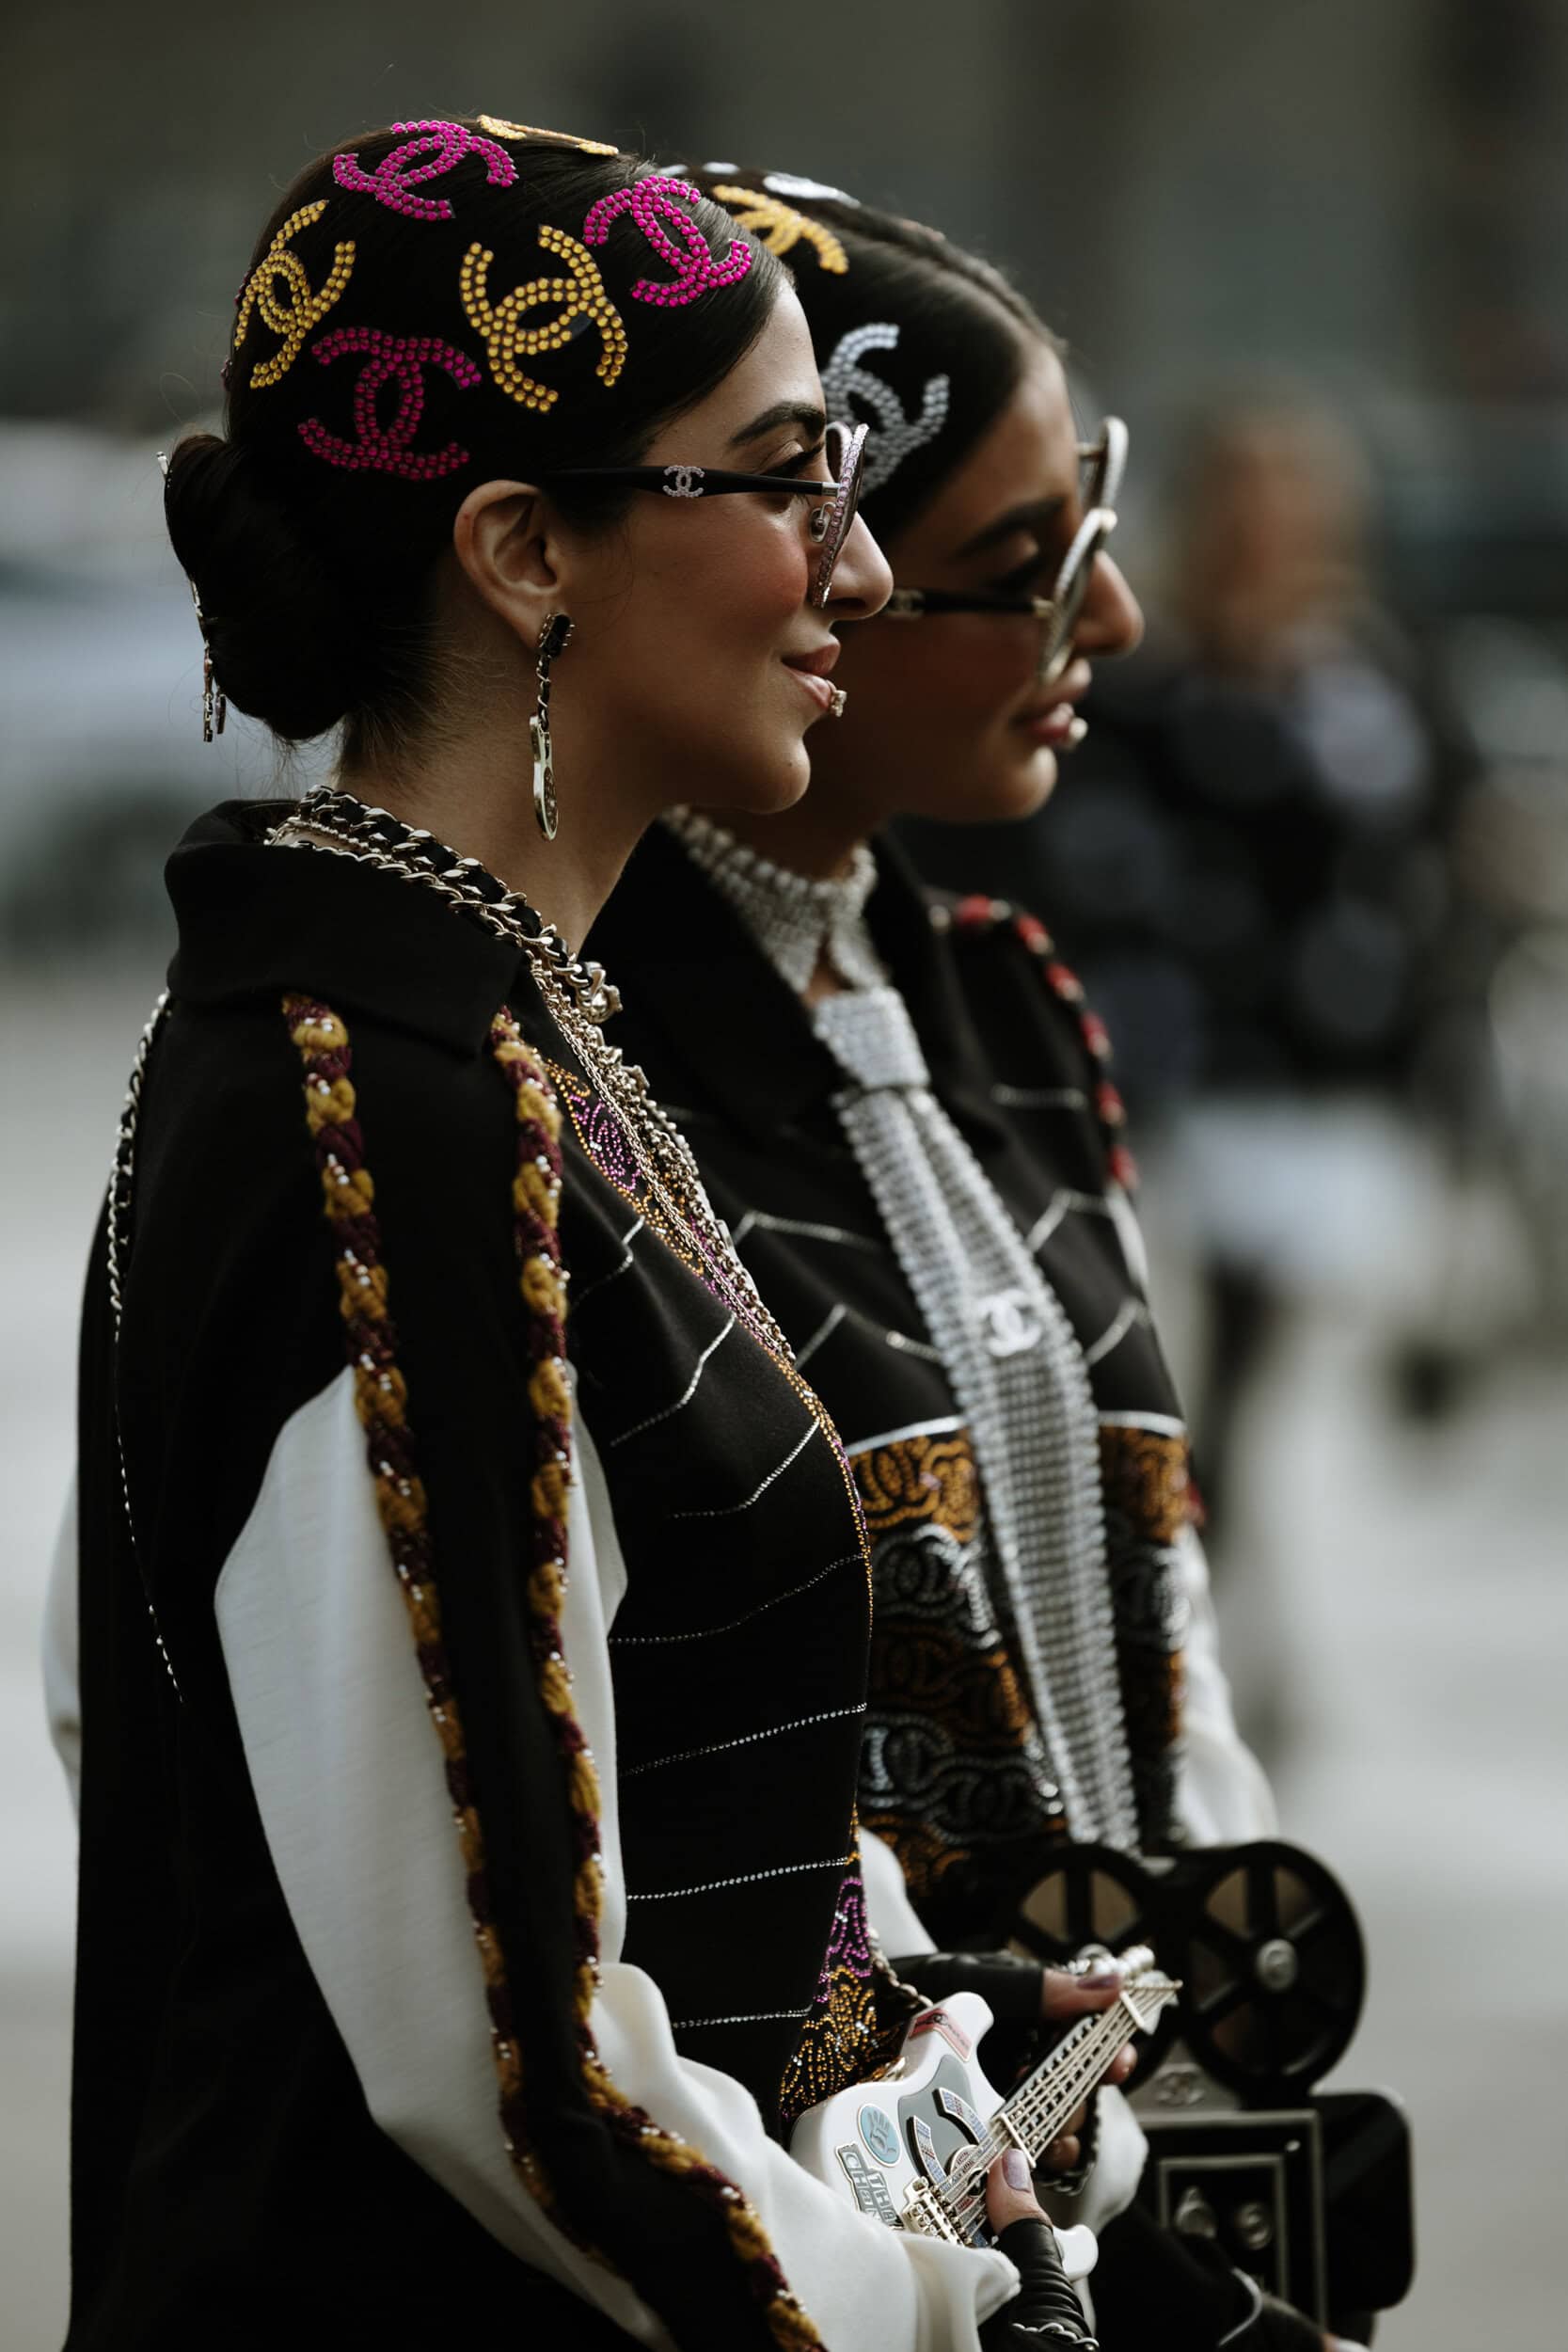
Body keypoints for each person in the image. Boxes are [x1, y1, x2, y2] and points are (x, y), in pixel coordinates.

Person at [44, 122, 1110, 2351]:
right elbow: (507, 2064)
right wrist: (924, 2308)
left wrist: (932, 2025)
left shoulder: (490, 1017)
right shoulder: (377, 1093)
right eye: (787, 478)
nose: (862, 569)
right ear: (527, 546)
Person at [588, 168, 1357, 2351]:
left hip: (1124, 2195)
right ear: (805, 579)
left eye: (1099, 541)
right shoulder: (562, 1070)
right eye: (1021, 570)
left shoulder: (998, 1000)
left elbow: (1155, 1633)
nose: (1105, 625)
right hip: (846, 2245)